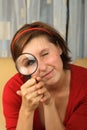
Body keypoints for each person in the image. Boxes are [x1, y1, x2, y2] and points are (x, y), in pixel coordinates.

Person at [2, 21, 87, 130]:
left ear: (59, 47)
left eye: (45, 54)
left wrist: (49, 104)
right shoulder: (13, 89)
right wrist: (26, 110)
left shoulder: (85, 83)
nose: (42, 67)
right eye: (30, 62)